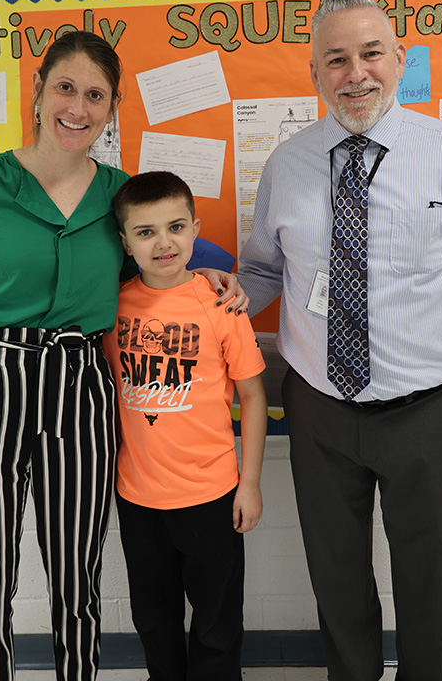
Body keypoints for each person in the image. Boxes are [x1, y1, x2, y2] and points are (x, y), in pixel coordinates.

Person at [0, 30, 245, 681]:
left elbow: (167, 260)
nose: (78, 108)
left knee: (78, 583)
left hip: (80, 386)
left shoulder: (120, 197)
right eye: (65, 88)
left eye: (95, 96)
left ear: (112, 108)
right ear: (38, 89)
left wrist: (212, 277)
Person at [237, 0, 442, 681]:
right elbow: (262, 271)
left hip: (431, 408)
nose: (355, 73)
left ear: (400, 59)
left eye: (370, 53)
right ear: (314, 73)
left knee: (434, 582)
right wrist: (200, 304)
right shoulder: (288, 163)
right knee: (335, 580)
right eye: (335, 59)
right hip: (320, 407)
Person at [103, 171, 267, 681]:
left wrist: (250, 483)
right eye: (145, 232)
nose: (164, 243)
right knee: (155, 622)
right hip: (138, 498)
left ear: (195, 230)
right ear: (125, 242)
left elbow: (252, 395)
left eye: (176, 227)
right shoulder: (111, 306)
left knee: (217, 625)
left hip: (212, 495)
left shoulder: (221, 304)